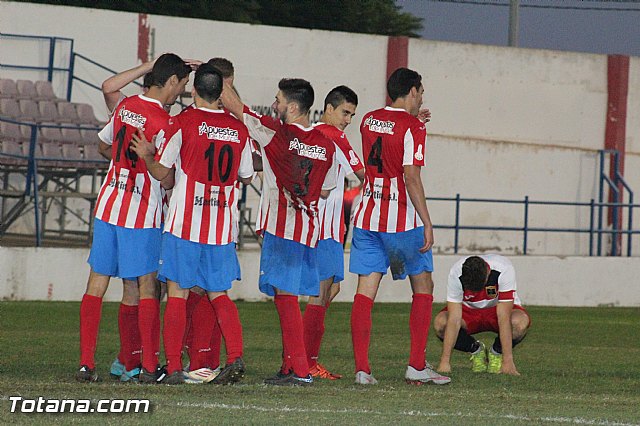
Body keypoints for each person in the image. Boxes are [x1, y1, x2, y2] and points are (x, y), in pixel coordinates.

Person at [131, 64, 253, 384]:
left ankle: (172, 368)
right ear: (220, 93)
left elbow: (163, 173)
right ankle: (235, 356)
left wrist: (147, 155)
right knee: (220, 294)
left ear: (194, 90)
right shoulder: (239, 129)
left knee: (177, 293)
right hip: (221, 224)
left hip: (185, 222)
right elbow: (247, 174)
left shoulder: (182, 122)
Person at [75, 53, 191, 383]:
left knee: (98, 282)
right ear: (171, 81)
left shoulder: (126, 108)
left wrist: (124, 167)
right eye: (181, 85)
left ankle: (89, 363)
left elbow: (101, 146)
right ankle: (148, 367)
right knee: (145, 287)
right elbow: (165, 179)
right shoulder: (166, 123)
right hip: (141, 212)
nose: (180, 92)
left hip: (110, 203)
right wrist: (148, 164)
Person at [221, 78, 337, 386]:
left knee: (284, 297)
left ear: (294, 107)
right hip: (309, 228)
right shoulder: (327, 143)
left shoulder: (277, 132)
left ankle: (300, 370)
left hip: (283, 225)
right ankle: (290, 367)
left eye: (278, 100)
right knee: (289, 296)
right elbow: (326, 190)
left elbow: (235, 107)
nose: (275, 105)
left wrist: (219, 78)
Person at [349, 67, 450, 386]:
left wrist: (415, 120)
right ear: (411, 92)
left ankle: (363, 370)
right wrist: (427, 222)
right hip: (401, 219)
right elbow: (411, 176)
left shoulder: (367, 119)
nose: (422, 97)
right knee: (424, 287)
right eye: (421, 92)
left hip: (366, 214)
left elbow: (388, 139)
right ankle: (416, 365)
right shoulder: (412, 128)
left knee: (366, 290)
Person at [304, 85, 364, 380]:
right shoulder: (335, 137)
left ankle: (298, 355)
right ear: (329, 108)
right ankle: (305, 362)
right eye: (345, 113)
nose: (348, 120)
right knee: (321, 294)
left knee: (331, 290)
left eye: (352, 115)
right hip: (326, 230)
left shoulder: (310, 132)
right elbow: (364, 173)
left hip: (316, 227)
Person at [434, 254, 531, 375]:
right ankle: (475, 349)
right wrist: (444, 362)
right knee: (441, 323)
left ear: (488, 272)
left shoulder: (503, 268)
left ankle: (496, 352)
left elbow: (503, 317)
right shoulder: (456, 273)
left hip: (496, 309)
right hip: (468, 311)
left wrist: (508, 361)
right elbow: (454, 319)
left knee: (519, 322)